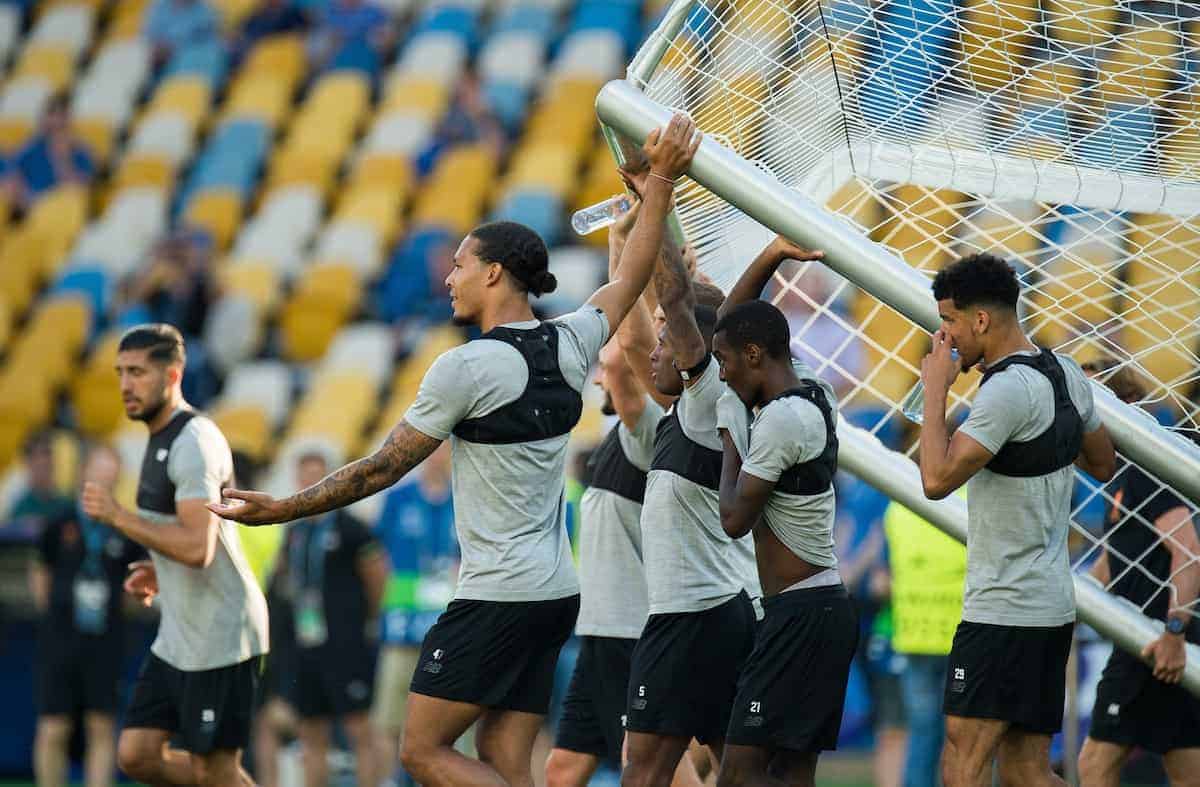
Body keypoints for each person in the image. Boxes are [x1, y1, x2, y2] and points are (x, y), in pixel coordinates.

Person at [210, 113, 699, 787]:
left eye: (461, 265)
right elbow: (634, 273)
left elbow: (382, 466)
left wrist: (283, 507)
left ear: (494, 273)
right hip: (557, 590)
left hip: (496, 593)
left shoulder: (465, 369)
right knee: (504, 758)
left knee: (420, 750)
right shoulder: (574, 339)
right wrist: (660, 187)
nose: (449, 276)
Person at [620, 177, 811, 787]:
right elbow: (690, 319)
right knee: (733, 770)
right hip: (719, 611)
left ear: (695, 351)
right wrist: (770, 256)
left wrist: (658, 201)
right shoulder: (698, 409)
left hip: (690, 617)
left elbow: (681, 307)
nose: (654, 349)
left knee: (643, 771)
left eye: (666, 340)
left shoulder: (706, 407)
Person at [915, 253, 1116, 786]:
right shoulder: (1067, 373)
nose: (946, 337)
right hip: (1050, 606)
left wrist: (936, 386)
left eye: (950, 321)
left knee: (961, 763)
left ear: (980, 320)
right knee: (1027, 770)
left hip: (1002, 609)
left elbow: (935, 481)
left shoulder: (1004, 391)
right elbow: (1102, 461)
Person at [80, 323, 269, 787]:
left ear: (172, 376)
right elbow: (185, 537)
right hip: (181, 631)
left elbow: (198, 548)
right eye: (121, 372)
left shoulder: (193, 442)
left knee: (214, 769)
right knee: (137, 754)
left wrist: (118, 516)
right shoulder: (158, 435)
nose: (125, 384)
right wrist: (158, 569)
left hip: (221, 633)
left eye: (138, 372)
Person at [706, 254, 857, 787]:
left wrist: (728, 433)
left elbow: (732, 520)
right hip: (819, 608)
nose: (720, 373)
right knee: (791, 773)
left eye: (725, 362)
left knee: (739, 775)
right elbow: (733, 320)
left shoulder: (781, 421)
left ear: (754, 354)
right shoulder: (815, 391)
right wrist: (769, 255)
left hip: (801, 614)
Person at [1076, 360, 1200, 786]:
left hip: (1153, 642)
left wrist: (1174, 633)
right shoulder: (1121, 474)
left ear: (1125, 406)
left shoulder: (1147, 471)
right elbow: (1116, 558)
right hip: (1150, 637)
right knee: (1187, 769)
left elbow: (1189, 554)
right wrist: (1074, 603)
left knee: (1094, 765)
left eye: (1089, 404)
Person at [30, 444, 144, 787]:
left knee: (101, 724)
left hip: (105, 641)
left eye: (111, 471)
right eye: (98, 468)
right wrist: (56, 615)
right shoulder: (60, 522)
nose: (103, 477)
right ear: (83, 472)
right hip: (61, 639)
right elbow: (41, 574)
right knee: (53, 726)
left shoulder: (125, 529)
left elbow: (137, 588)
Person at [281, 451, 388, 787]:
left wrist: (366, 619)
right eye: (305, 476)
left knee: (360, 732)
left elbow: (377, 575)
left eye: (318, 476)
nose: (311, 483)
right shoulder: (295, 532)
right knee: (311, 735)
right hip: (307, 644)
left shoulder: (352, 528)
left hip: (347, 644)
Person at [372, 442, 458, 784]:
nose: (438, 457)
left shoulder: (467, 498)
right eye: (433, 450)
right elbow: (379, 556)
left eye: (445, 450)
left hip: (451, 631)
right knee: (390, 718)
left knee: (453, 723)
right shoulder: (398, 498)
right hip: (402, 626)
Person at [883, 498, 967, 787]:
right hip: (962, 636)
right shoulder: (973, 497)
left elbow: (887, 574)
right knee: (966, 739)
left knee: (921, 732)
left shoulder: (898, 502)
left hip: (914, 634)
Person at [5, 94, 95, 210]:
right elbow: (12, 177)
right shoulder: (33, 146)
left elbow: (77, 191)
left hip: (60, 212)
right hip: (28, 208)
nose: (55, 122)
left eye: (61, 117)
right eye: (51, 114)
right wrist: (24, 198)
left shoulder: (81, 152)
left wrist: (61, 157)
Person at [7, 431, 73, 539]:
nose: (45, 464)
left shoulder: (66, 504)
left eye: (48, 462)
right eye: (39, 464)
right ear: (28, 464)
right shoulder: (20, 508)